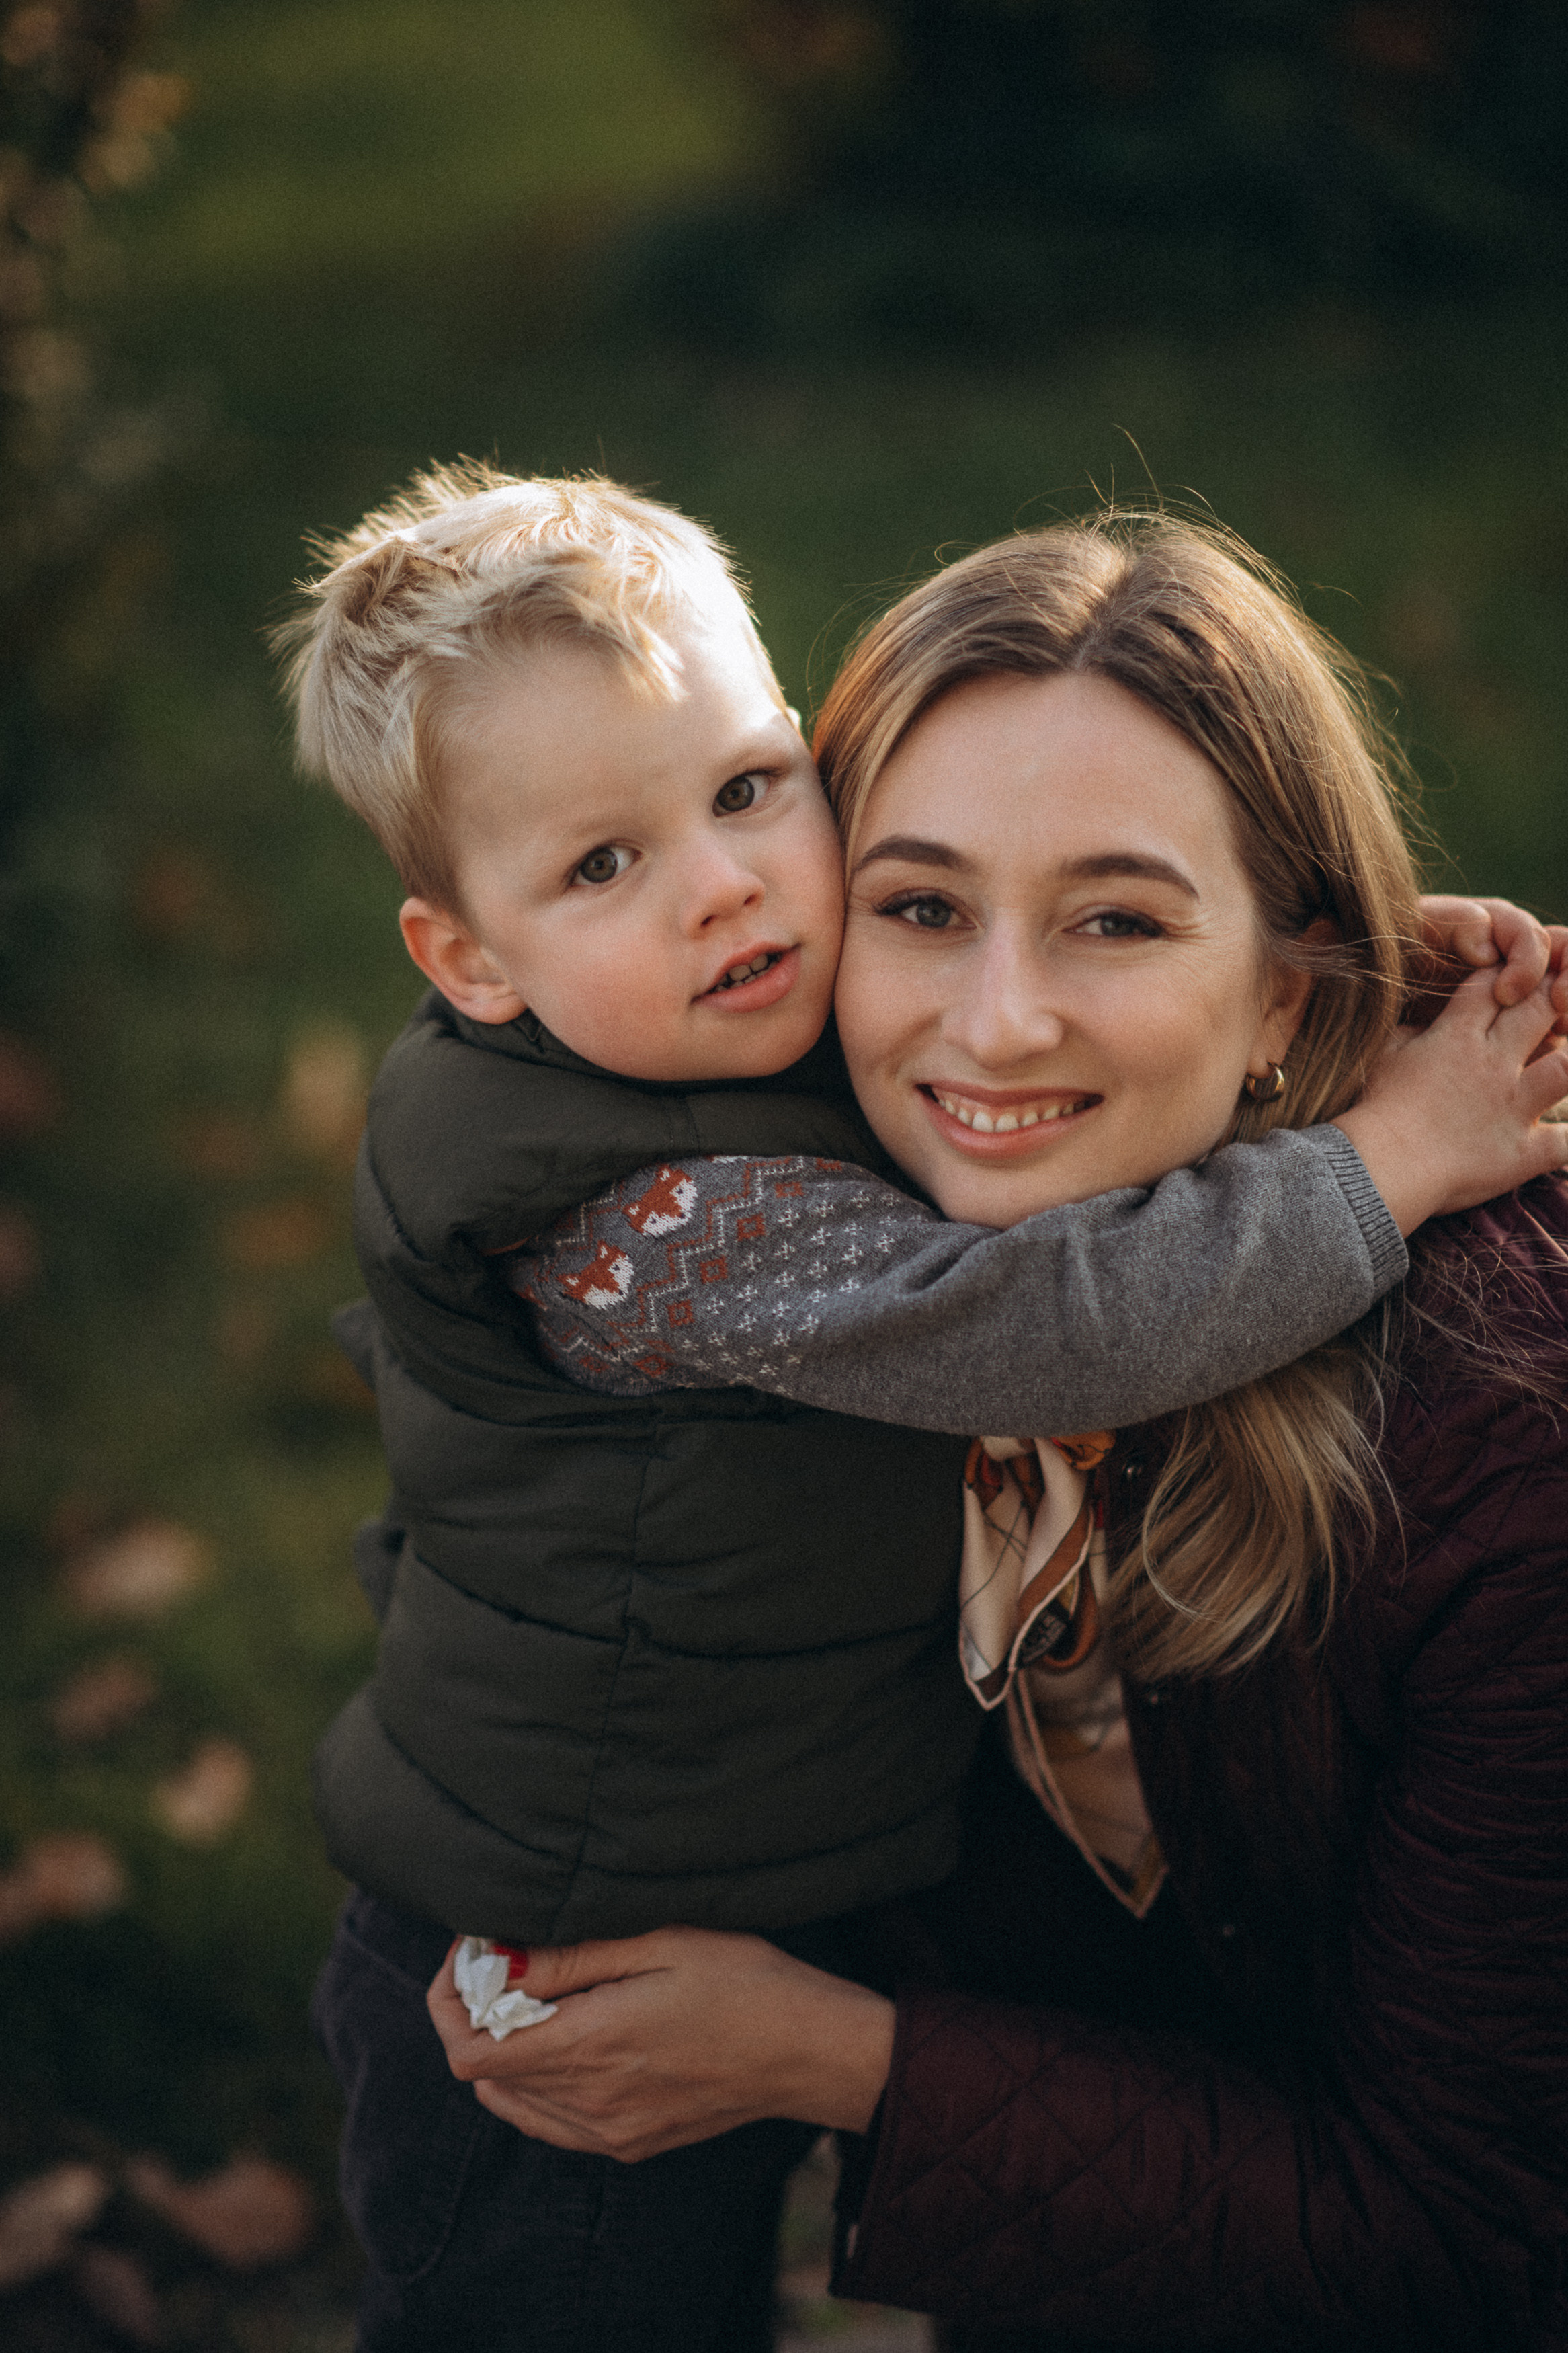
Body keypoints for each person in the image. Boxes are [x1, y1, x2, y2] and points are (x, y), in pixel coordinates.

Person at [424, 516, 1568, 2353]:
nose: (998, 1021)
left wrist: (826, 2056)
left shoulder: (1508, 1439)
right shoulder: (776, 1269)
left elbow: (1461, 2239)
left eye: (1118, 916)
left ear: (1285, 984)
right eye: (922, 906)